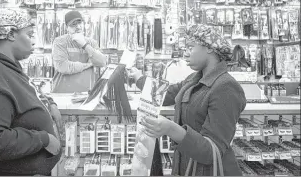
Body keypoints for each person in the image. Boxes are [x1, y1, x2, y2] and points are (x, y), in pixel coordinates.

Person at [129, 24, 247, 176]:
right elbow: (167, 94)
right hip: (186, 166)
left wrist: (170, 129)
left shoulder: (226, 87)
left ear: (209, 48)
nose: (186, 54)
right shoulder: (194, 79)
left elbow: (212, 152)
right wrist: (139, 78)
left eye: (191, 47)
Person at [0, 8, 62, 176]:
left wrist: (49, 104)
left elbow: (23, 96)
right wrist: (43, 139)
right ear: (11, 34)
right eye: (29, 35)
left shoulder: (6, 68)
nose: (34, 41)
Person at [51, 10, 107, 93]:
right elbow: (63, 66)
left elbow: (102, 62)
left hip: (86, 94)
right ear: (67, 27)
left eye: (79, 23)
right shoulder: (59, 42)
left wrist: (84, 44)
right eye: (73, 24)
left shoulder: (91, 42)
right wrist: (89, 64)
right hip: (62, 93)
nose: (78, 27)